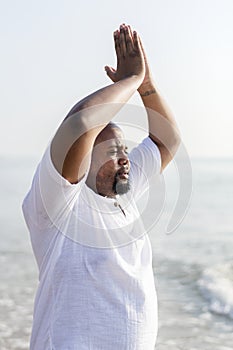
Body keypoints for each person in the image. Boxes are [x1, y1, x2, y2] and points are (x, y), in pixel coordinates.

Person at [22, 24, 180, 350]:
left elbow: (168, 140)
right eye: (111, 152)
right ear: (83, 163)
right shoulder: (60, 205)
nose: (124, 159)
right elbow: (80, 124)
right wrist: (131, 80)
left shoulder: (127, 196)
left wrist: (147, 86)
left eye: (124, 149)